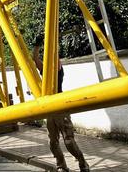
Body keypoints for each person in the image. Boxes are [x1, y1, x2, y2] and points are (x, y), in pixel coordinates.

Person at [33, 42, 90, 172]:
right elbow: (35, 59)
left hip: (60, 108)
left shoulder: (58, 69)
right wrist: (37, 45)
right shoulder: (44, 70)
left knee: (69, 141)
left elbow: (54, 56)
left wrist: (50, 43)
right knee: (53, 142)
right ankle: (61, 166)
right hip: (49, 109)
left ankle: (83, 163)